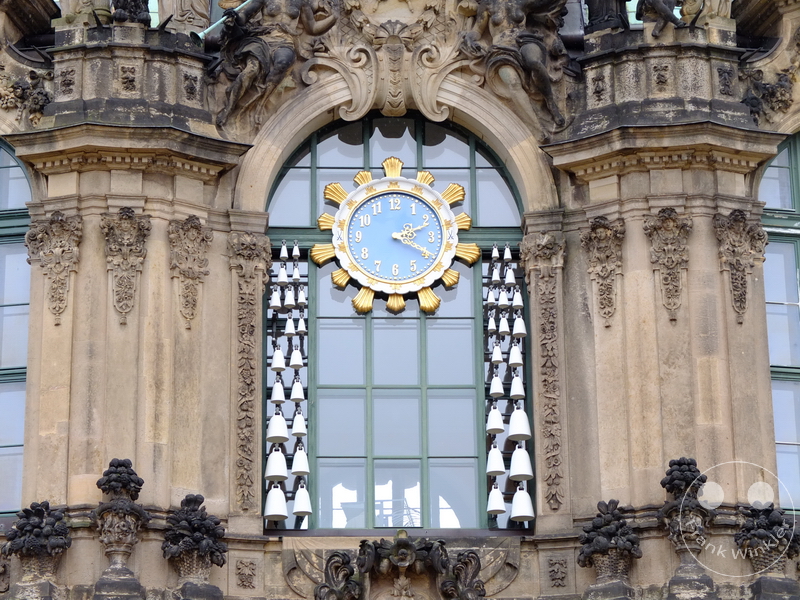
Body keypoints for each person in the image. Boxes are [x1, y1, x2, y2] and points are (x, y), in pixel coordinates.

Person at [214, 0, 335, 127]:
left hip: (285, 41)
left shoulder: (301, 2)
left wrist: (334, 17)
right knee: (250, 71)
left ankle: (260, 105)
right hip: (263, 39)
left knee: (282, 63)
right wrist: (235, 16)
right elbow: (245, 16)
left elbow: (313, 27)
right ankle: (229, 108)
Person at [462, 0, 566, 135]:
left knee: (534, 62)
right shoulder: (488, 5)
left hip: (524, 42)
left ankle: (551, 103)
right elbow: (477, 30)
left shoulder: (521, 2)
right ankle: (537, 127)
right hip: (502, 49)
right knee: (513, 82)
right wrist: (470, 39)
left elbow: (546, 4)